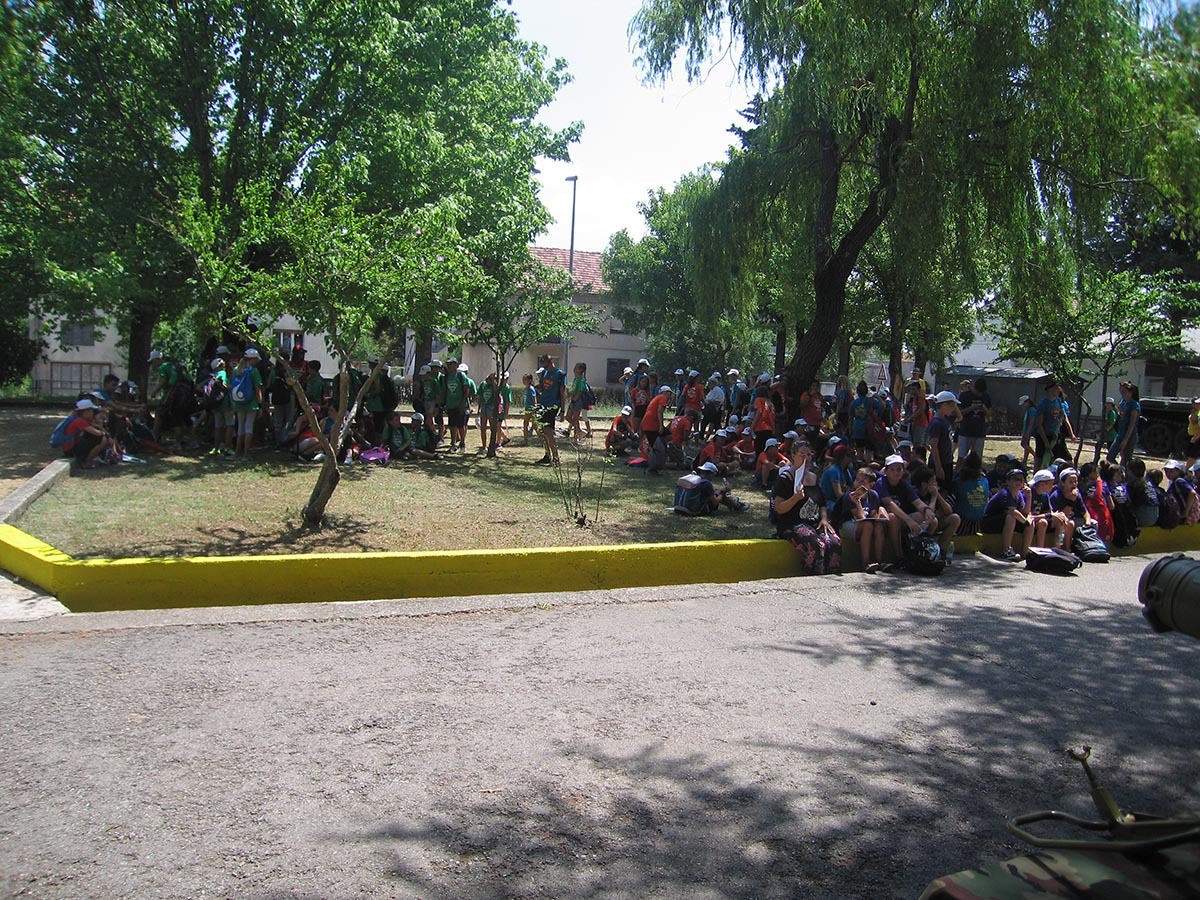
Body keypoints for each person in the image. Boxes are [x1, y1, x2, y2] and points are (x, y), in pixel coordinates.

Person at [771, 440, 841, 575]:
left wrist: (824, 519)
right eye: (802, 455)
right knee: (816, 545)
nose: (806, 459)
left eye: (809, 455)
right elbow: (779, 508)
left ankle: (832, 578)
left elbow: (822, 503)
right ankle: (812, 577)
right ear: (793, 455)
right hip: (793, 524)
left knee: (834, 543)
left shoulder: (814, 477)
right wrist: (795, 498)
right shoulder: (786, 478)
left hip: (814, 522)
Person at [876, 453, 937, 560]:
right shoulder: (881, 483)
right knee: (893, 517)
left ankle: (922, 550)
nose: (896, 472)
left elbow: (917, 502)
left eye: (899, 469)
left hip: (902, 518)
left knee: (925, 517)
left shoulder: (904, 485)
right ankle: (899, 556)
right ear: (886, 471)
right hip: (885, 520)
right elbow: (890, 505)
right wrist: (909, 521)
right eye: (892, 469)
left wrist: (927, 510)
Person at [834, 467, 889, 573]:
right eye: (857, 480)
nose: (858, 483)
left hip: (865, 523)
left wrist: (880, 516)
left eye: (863, 482)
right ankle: (865, 563)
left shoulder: (873, 495)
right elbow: (860, 517)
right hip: (848, 524)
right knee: (868, 525)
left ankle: (880, 561)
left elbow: (872, 514)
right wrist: (858, 502)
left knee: (878, 526)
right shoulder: (850, 496)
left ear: (871, 485)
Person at [982, 469, 1034, 561]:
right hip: (989, 524)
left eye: (1021, 480)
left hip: (1004, 524)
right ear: (1008, 481)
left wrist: (1029, 497)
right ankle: (1006, 550)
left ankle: (1025, 552)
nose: (1019, 482)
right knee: (1011, 517)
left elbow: (1025, 512)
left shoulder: (1019, 495)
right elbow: (1013, 511)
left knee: (1031, 521)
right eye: (1015, 479)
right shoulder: (1005, 493)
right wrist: (1026, 522)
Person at [231, 348, 264, 460]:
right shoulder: (253, 371)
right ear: (253, 359)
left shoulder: (236, 370)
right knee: (248, 427)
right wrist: (260, 404)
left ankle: (237, 453)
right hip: (251, 403)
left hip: (238, 403)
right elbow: (258, 389)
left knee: (240, 427)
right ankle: (246, 454)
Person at [533, 356, 567, 466]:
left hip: (552, 406)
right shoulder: (544, 373)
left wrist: (562, 410)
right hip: (543, 405)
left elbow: (562, 393)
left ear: (551, 362)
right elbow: (542, 388)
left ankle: (556, 459)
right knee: (543, 431)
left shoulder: (560, 374)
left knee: (548, 431)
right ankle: (547, 456)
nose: (543, 366)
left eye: (545, 364)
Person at [64, 398, 116, 469]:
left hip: (76, 445)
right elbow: (97, 433)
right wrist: (105, 434)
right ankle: (86, 461)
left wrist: (101, 427)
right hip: (70, 449)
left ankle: (93, 458)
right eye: (91, 411)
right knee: (102, 439)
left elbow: (98, 429)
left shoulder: (84, 420)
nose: (93, 413)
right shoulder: (79, 421)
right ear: (85, 412)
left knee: (103, 438)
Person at [1028, 468, 1071, 549]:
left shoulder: (1045, 495)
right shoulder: (1029, 494)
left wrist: (1059, 515)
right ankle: (1040, 549)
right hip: (1030, 522)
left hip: (1040, 520)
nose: (1053, 486)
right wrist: (1051, 515)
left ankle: (1058, 547)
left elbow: (1050, 513)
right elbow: (1030, 517)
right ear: (1042, 485)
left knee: (1060, 519)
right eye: (1051, 484)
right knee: (1043, 522)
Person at [440, 357, 474, 453]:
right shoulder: (446, 377)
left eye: (450, 364)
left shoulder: (460, 375)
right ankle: (453, 444)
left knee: (461, 425)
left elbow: (466, 390)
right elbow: (445, 391)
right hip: (451, 404)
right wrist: (443, 403)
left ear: (455, 365)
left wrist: (463, 404)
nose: (449, 366)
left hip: (460, 405)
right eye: (448, 364)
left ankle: (462, 443)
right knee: (452, 425)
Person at [927, 390, 959, 491]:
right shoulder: (937, 423)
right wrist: (938, 467)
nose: (953, 409)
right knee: (940, 489)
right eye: (952, 406)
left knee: (947, 489)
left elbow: (960, 417)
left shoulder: (946, 419)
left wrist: (954, 402)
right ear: (944, 405)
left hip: (947, 460)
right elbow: (934, 445)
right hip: (939, 462)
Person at [1034, 380, 1068, 469]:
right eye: (1056, 388)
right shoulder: (1043, 404)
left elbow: (1062, 414)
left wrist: (1060, 423)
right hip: (1044, 435)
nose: (1058, 390)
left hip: (1054, 435)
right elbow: (1039, 425)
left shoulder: (1058, 401)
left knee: (1053, 458)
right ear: (1050, 390)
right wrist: (1045, 441)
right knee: (1040, 458)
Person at [956, 377, 992, 462]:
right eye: (978, 392)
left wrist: (983, 408)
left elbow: (990, 414)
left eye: (981, 393)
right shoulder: (964, 395)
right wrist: (972, 408)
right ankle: (959, 470)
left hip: (979, 432)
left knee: (977, 458)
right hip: (965, 431)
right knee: (961, 457)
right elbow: (959, 412)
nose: (979, 394)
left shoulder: (986, 396)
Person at [1108, 381, 1140, 465]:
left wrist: (1125, 440)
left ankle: (1123, 471)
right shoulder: (1123, 402)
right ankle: (1117, 470)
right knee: (1110, 457)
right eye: (1121, 392)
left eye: (1124, 392)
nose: (1122, 394)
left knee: (1125, 460)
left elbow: (1132, 424)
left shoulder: (1134, 405)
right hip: (1120, 434)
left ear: (1130, 392)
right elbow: (1119, 408)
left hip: (1129, 435)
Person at [565, 362, 590, 440]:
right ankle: (580, 431)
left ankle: (576, 437)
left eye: (576, 368)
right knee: (568, 417)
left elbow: (580, 391)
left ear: (580, 370)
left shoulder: (582, 380)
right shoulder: (575, 379)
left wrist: (574, 400)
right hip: (573, 400)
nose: (574, 369)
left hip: (578, 401)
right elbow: (574, 390)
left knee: (575, 419)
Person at [1017, 394, 1036, 470]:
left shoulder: (1032, 410)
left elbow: (1032, 421)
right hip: (1026, 430)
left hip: (1029, 430)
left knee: (1023, 444)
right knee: (1026, 445)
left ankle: (1035, 455)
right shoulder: (1028, 410)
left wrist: (1028, 431)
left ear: (1027, 402)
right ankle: (1024, 460)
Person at [1186, 398, 1200, 470]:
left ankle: (1187, 470)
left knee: (1192, 455)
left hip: (1197, 437)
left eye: (1197, 403)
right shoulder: (1196, 412)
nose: (1195, 405)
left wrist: (1195, 438)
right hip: (1194, 435)